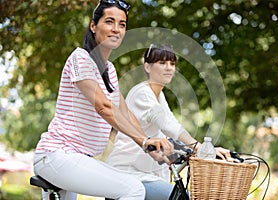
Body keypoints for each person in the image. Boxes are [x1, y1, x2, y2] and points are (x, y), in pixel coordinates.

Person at [32, 1, 174, 200]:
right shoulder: (81, 58)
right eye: (109, 21)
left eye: (122, 24)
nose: (116, 29)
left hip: (77, 159)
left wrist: (149, 148)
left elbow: (125, 112)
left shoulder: (110, 70)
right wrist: (144, 141)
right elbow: (104, 107)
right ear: (93, 26)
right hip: (59, 154)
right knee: (133, 189)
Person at [106, 44, 232, 200]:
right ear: (147, 67)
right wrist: (200, 148)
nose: (169, 68)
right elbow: (167, 125)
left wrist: (198, 149)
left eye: (172, 64)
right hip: (128, 172)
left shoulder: (159, 95)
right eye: (162, 63)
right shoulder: (142, 93)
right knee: (180, 198)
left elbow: (170, 124)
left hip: (146, 173)